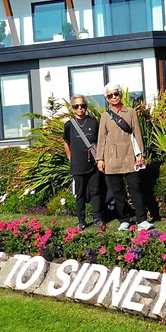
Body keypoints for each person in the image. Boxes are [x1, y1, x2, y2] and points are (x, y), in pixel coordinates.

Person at [96, 82, 153, 231]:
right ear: (107, 98)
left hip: (130, 156)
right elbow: (101, 139)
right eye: (110, 95)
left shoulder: (131, 112)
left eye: (116, 94)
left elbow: (137, 134)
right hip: (111, 159)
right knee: (117, 192)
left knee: (136, 188)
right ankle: (124, 220)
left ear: (120, 94)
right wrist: (100, 159)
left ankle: (142, 220)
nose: (114, 97)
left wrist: (140, 154)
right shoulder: (105, 116)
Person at [63, 95, 104, 231]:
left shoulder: (93, 122)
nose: (80, 108)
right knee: (80, 194)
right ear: (72, 108)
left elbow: (100, 141)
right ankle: (81, 220)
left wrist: (100, 159)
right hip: (78, 165)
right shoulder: (69, 125)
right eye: (76, 106)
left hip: (93, 164)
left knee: (95, 191)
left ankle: (97, 218)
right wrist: (71, 159)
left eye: (82, 105)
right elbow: (66, 143)